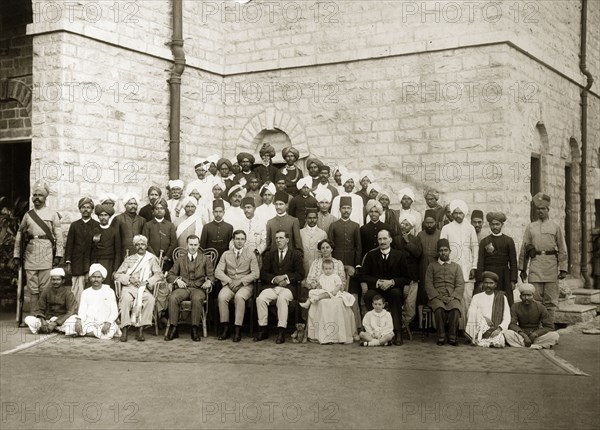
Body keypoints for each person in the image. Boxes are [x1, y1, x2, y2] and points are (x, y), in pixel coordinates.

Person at [13, 181, 64, 314]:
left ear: (45, 198)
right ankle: (34, 314)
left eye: (40, 195)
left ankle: (43, 314)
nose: (37, 198)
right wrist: (17, 255)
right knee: (32, 287)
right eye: (34, 195)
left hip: (46, 252)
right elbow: (19, 233)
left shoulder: (52, 214)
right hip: (30, 253)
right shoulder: (28, 215)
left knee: (45, 286)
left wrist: (58, 254)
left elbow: (58, 235)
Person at [519, 192, 568, 322]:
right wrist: (522, 268)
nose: (540, 211)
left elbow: (562, 247)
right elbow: (524, 248)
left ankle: (549, 327)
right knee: (535, 299)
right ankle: (537, 327)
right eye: (538, 209)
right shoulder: (531, 227)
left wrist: (563, 268)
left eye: (543, 209)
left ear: (548, 210)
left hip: (551, 266)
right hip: (535, 265)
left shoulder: (555, 227)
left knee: (551, 300)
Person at [361, 229, 411, 345]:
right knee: (369, 296)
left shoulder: (399, 255)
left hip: (393, 289)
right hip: (377, 289)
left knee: (396, 294)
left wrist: (392, 282)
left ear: (390, 240)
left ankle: (397, 332)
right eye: (379, 239)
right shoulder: (371, 255)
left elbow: (407, 278)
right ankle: (372, 331)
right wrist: (377, 281)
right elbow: (362, 275)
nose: (382, 241)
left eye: (384, 238)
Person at [255, 230, 305, 344]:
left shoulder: (295, 255)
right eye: (276, 238)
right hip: (272, 287)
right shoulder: (269, 255)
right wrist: (274, 279)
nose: (278, 240)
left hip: (289, 288)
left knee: (282, 299)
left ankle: (281, 331)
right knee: (260, 299)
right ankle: (263, 329)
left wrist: (286, 278)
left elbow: (300, 273)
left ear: (287, 240)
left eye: (281, 238)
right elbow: (263, 273)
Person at [165, 234, 215, 342]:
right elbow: (170, 274)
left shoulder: (205, 259)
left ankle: (195, 328)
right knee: (173, 297)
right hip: (183, 288)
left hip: (198, 288)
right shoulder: (180, 259)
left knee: (197, 299)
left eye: (195, 245)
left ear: (199, 245)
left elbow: (211, 274)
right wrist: (177, 280)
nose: (193, 247)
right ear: (187, 245)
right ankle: (174, 328)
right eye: (191, 244)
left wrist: (209, 281)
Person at [114, 235, 164, 342]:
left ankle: (140, 329)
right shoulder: (129, 259)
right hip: (129, 287)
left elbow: (159, 275)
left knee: (150, 300)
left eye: (142, 244)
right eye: (137, 244)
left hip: (144, 288)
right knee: (126, 299)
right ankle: (125, 329)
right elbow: (117, 275)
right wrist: (130, 278)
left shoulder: (151, 259)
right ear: (135, 246)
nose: (140, 246)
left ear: (146, 246)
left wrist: (147, 282)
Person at [215, 230, 260, 342]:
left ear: (245, 241)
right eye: (237, 239)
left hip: (245, 286)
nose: (239, 242)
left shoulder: (250, 254)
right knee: (222, 297)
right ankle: (225, 328)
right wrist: (230, 281)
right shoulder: (226, 254)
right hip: (230, 284)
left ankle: (237, 329)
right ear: (233, 240)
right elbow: (218, 272)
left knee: (239, 297)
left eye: (242, 239)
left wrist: (240, 281)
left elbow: (256, 273)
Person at [301, 259, 356, 344]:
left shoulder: (335, 276)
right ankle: (311, 300)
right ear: (323, 269)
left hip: (333, 293)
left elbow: (339, 285)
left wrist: (335, 290)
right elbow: (320, 285)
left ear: (333, 269)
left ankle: (310, 301)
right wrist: (318, 287)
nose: (328, 271)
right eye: (326, 269)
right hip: (324, 291)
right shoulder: (321, 276)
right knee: (313, 292)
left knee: (325, 295)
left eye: (330, 269)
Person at [440, 199, 478, 317]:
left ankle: (466, 328)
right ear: (452, 213)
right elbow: (442, 248)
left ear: (465, 213)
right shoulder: (446, 228)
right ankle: (455, 328)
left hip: (467, 269)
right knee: (453, 298)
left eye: (460, 213)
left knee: (467, 298)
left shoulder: (470, 228)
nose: (458, 215)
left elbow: (475, 248)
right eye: (455, 213)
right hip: (452, 268)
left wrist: (474, 266)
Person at [425, 238, 464, 346]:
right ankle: (441, 336)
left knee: (456, 309)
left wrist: (453, 296)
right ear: (438, 252)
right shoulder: (432, 266)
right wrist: (438, 296)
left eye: (445, 250)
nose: (443, 252)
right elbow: (428, 284)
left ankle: (452, 337)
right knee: (439, 309)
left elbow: (460, 284)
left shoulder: (456, 267)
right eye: (441, 250)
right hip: (437, 297)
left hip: (452, 296)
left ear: (450, 251)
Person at [477, 211, 518, 307]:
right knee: (489, 301)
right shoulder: (485, 241)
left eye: (497, 224)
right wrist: (480, 280)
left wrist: (513, 280)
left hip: (504, 275)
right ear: (489, 225)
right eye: (492, 224)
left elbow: (513, 262)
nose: (495, 227)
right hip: (489, 274)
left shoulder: (508, 240)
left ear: (502, 225)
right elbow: (481, 262)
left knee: (506, 301)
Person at [64, 197, 99, 305]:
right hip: (77, 262)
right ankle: (76, 311)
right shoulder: (74, 225)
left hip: (90, 261)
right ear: (79, 209)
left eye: (88, 207)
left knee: (90, 287)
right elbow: (69, 244)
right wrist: (68, 261)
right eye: (83, 207)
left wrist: (94, 263)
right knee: (76, 288)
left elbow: (97, 246)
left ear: (92, 210)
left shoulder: (96, 225)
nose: (86, 210)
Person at [504, 283, 559, 349]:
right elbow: (512, 324)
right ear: (520, 296)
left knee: (554, 335)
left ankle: (523, 345)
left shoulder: (541, 307)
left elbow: (549, 326)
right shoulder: (515, 306)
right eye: (524, 295)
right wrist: (523, 335)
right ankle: (535, 345)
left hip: (536, 335)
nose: (526, 298)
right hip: (521, 333)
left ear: (533, 296)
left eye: (529, 295)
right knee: (507, 333)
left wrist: (535, 334)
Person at [72, 264, 120, 339]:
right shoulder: (86, 292)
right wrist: (79, 321)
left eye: (98, 277)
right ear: (90, 278)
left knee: (110, 332)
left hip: (104, 322)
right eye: (93, 277)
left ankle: (84, 333)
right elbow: (82, 310)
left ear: (103, 279)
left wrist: (108, 323)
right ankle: (95, 333)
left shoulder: (109, 291)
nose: (96, 280)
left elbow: (114, 311)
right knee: (72, 324)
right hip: (89, 321)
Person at [23, 268, 76, 335]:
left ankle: (53, 328)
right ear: (51, 280)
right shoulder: (46, 291)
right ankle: (50, 328)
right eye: (53, 280)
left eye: (58, 280)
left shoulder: (68, 293)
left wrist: (55, 323)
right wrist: (43, 321)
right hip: (47, 319)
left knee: (73, 320)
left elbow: (70, 312)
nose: (55, 282)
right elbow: (40, 309)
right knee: (28, 319)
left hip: (62, 320)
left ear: (63, 280)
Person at [465, 271, 510, 347]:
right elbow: (470, 313)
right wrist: (484, 318)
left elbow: (507, 317)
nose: (488, 285)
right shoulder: (477, 297)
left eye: (491, 283)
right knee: (473, 312)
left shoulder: (502, 298)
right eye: (486, 283)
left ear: (495, 285)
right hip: (479, 326)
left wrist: (499, 329)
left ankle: (484, 340)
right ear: (483, 283)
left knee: (500, 341)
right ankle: (478, 338)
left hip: (495, 327)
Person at [393, 213, 423, 327]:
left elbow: (418, 253)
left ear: (411, 227)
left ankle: (404, 324)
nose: (404, 226)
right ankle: (397, 325)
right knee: (399, 301)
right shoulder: (395, 239)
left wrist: (407, 242)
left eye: (407, 224)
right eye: (402, 224)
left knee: (410, 305)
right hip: (400, 276)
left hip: (412, 277)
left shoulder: (415, 239)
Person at [417, 209, 441, 324]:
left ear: (436, 222)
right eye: (427, 222)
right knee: (422, 293)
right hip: (422, 267)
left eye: (431, 222)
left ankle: (435, 324)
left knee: (435, 293)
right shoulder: (420, 234)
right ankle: (422, 323)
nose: (429, 225)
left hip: (436, 267)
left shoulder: (441, 233)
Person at [142, 198, 177, 270]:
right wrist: (154, 256)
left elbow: (174, 243)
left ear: (165, 211)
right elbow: (146, 243)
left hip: (167, 260)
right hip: (151, 258)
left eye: (162, 208)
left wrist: (167, 256)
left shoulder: (170, 225)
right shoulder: (147, 225)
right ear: (153, 211)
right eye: (157, 208)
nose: (159, 210)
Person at [91, 204, 121, 287]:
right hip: (96, 262)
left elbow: (118, 252)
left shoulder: (114, 231)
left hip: (110, 264)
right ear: (98, 217)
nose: (103, 217)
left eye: (105, 215)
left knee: (108, 286)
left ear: (109, 216)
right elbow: (90, 250)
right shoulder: (94, 231)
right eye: (101, 215)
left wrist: (115, 269)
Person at [112, 193, 145, 263]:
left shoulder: (142, 220)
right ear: (125, 205)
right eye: (130, 204)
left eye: (135, 204)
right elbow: (116, 240)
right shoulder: (118, 219)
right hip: (123, 253)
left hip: (138, 253)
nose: (133, 206)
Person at [238, 196, 267, 262]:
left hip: (256, 257)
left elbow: (264, 242)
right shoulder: (240, 224)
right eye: (244, 208)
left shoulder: (261, 223)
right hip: (242, 257)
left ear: (254, 208)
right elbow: (233, 241)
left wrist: (256, 252)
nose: (246, 210)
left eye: (249, 207)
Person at [299, 209, 328, 276]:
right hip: (303, 264)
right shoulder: (300, 232)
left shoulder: (323, 233)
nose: (312, 220)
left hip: (318, 265)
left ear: (317, 218)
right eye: (309, 218)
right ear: (306, 219)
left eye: (314, 218)